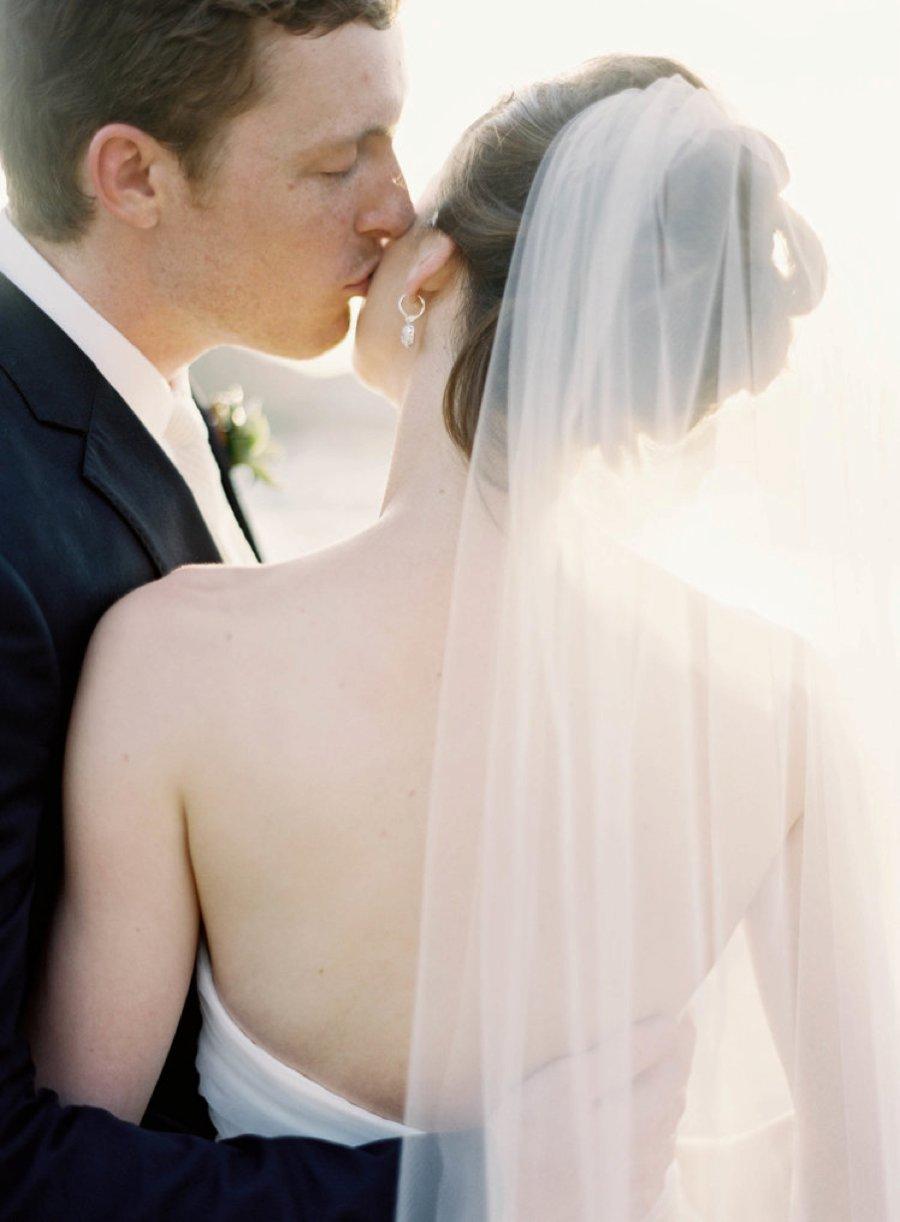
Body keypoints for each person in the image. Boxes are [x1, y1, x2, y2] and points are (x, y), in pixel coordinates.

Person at [30, 41, 899, 1222]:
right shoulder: (777, 712)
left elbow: (67, 1160)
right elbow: (856, 1184)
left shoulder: (169, 663)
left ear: (433, 271)